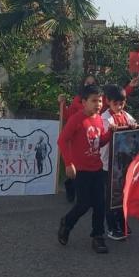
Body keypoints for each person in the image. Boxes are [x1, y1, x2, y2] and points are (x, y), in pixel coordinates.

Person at [55, 84, 112, 254]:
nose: (98, 104)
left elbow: (99, 142)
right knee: (84, 204)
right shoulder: (76, 119)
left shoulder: (99, 120)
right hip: (81, 170)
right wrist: (69, 163)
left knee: (100, 204)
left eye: (100, 101)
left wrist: (111, 134)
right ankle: (67, 222)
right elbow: (62, 141)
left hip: (97, 168)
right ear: (84, 102)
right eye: (94, 101)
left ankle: (98, 236)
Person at [101, 83, 138, 241]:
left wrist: (133, 126)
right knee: (111, 196)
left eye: (121, 103)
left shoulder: (126, 115)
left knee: (123, 195)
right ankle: (111, 226)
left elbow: (135, 126)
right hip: (108, 164)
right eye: (115, 103)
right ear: (108, 101)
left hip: (123, 164)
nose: (118, 106)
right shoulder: (105, 118)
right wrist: (111, 130)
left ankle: (122, 222)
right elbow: (103, 136)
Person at [57, 74, 99, 203]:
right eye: (87, 83)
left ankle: (88, 197)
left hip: (92, 137)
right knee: (76, 166)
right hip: (77, 138)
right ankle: (71, 186)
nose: (90, 85)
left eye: (92, 83)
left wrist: (130, 87)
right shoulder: (78, 99)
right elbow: (68, 115)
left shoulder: (98, 101)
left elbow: (116, 101)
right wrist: (62, 104)